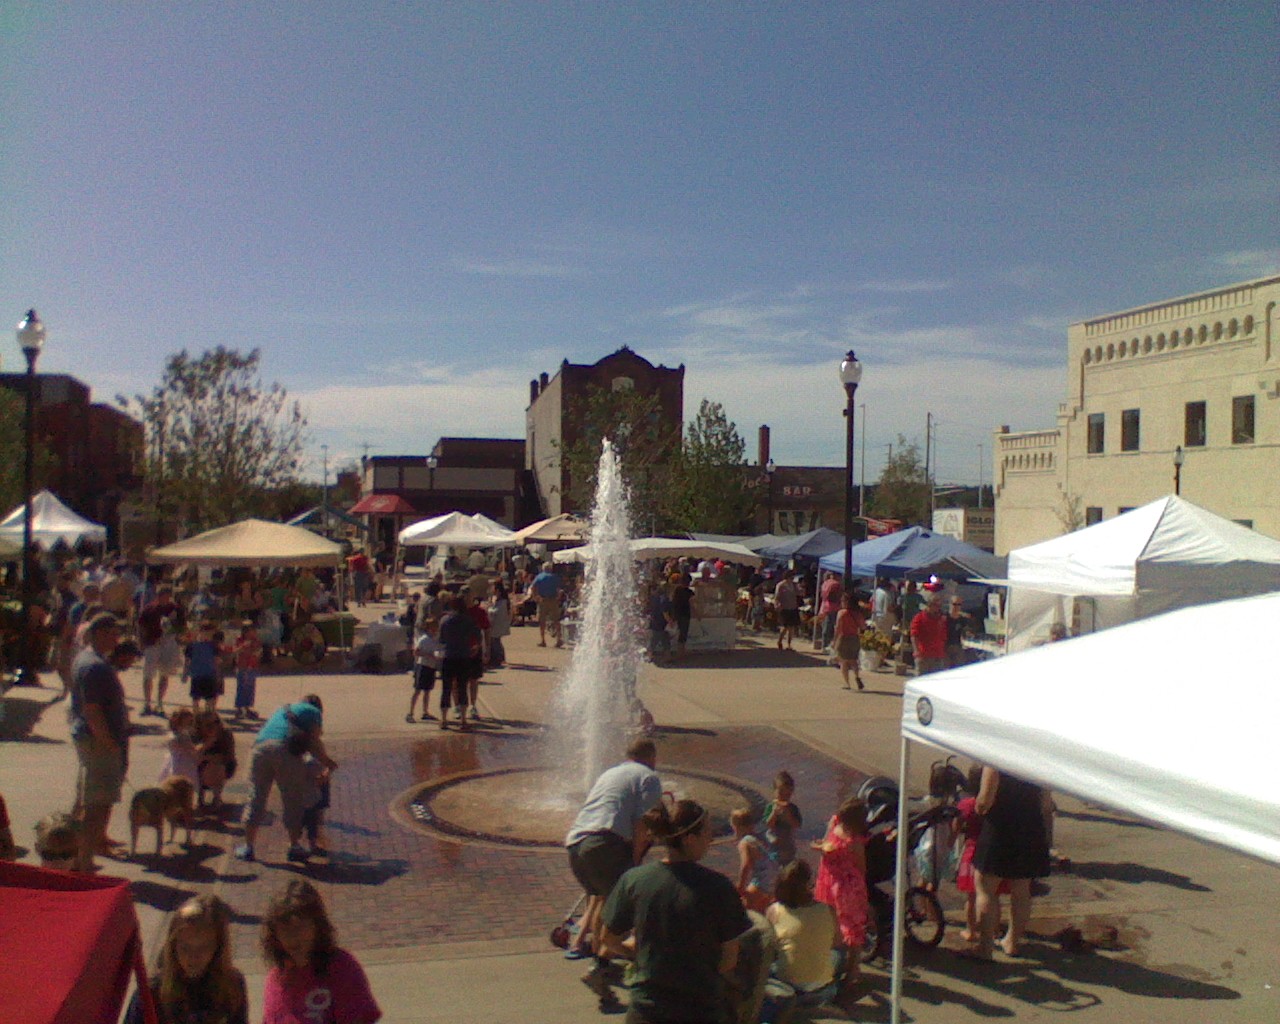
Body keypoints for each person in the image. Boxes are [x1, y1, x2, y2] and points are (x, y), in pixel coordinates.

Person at [599, 798, 753, 1024]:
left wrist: (639, 955)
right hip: (700, 1009)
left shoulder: (634, 880)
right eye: (707, 833)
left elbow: (608, 939)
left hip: (647, 1009)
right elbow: (729, 959)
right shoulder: (718, 887)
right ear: (689, 839)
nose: (711, 839)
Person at [563, 738, 664, 998]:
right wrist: (635, 859)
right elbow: (644, 824)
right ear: (651, 757)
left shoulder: (610, 773)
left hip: (576, 845)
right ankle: (600, 965)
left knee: (604, 900)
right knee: (620, 908)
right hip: (606, 843)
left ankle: (599, 963)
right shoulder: (648, 777)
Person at [261, 879, 381, 1024]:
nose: (293, 936)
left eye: (300, 927)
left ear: (317, 926)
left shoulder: (343, 968)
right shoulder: (276, 981)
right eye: (285, 928)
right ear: (274, 935)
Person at [236, 694, 338, 864]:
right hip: (285, 752)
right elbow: (316, 743)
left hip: (259, 749)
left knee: (256, 797)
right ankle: (294, 846)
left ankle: (248, 847)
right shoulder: (314, 712)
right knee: (292, 799)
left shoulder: (283, 709)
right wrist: (330, 765)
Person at [965, 767, 1052, 960]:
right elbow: (1046, 805)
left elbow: (984, 800)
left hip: (1000, 827)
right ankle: (1012, 941)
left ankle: (985, 946)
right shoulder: (1037, 760)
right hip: (1030, 828)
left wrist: (978, 810)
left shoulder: (997, 760)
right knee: (1021, 891)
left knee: (986, 888)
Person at [125, 894, 248, 1024]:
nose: (193, 957)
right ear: (173, 947)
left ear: (218, 947)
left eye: (203, 947)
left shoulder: (232, 986)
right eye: (185, 948)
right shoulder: (151, 994)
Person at [68, 611, 129, 872]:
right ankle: (83, 861)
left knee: (91, 798)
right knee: (96, 803)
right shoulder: (95, 667)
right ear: (100, 634)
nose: (117, 639)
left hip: (92, 738)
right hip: (98, 741)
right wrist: (108, 742)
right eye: (113, 633)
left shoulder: (89, 660)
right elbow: (92, 710)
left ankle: (92, 846)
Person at [766, 859, 844, 1008]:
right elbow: (837, 942)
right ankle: (833, 986)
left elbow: (770, 947)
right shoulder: (828, 910)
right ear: (808, 884)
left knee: (774, 962)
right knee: (838, 954)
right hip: (820, 991)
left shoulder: (774, 911)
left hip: (786, 987)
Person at [812, 797, 869, 979]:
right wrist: (821, 847)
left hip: (846, 887)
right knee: (831, 921)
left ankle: (853, 968)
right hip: (828, 880)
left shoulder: (855, 841)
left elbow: (861, 867)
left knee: (852, 928)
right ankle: (835, 962)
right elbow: (826, 840)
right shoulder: (836, 822)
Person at [138, 585, 185, 717]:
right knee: (148, 674)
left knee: (164, 674)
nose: (163, 598)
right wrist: (142, 642)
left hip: (169, 643)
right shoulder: (149, 609)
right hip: (152, 643)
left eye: (165, 596)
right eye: (160, 596)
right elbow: (141, 626)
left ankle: (160, 702)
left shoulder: (175, 609)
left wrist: (174, 628)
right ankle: (147, 702)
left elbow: (182, 628)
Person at [437, 597, 479, 730]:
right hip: (463, 656)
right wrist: (475, 648)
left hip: (448, 656)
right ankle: (463, 720)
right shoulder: (468, 620)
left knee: (446, 689)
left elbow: (441, 639)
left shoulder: (445, 620)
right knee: (462, 689)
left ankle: (444, 720)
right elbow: (478, 636)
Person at [731, 807, 778, 913]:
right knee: (762, 912)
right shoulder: (757, 838)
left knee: (746, 911)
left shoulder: (745, 842)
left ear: (737, 827)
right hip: (774, 880)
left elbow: (745, 865)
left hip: (762, 881)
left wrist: (741, 887)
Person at [195, 709, 237, 810]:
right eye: (208, 724)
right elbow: (192, 754)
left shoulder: (225, 733)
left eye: (216, 722)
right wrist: (207, 744)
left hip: (221, 765)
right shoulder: (194, 733)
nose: (213, 726)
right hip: (198, 765)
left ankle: (216, 796)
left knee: (215, 765)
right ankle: (199, 796)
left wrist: (207, 757)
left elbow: (228, 757)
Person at [763, 770, 802, 866]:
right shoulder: (770, 807)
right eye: (781, 794)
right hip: (773, 845)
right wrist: (774, 813)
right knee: (773, 867)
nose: (783, 798)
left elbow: (797, 825)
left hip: (788, 846)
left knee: (788, 866)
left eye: (787, 795)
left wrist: (788, 815)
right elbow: (768, 824)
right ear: (774, 791)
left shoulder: (793, 808)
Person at [183, 622, 223, 713]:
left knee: (210, 699)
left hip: (209, 676)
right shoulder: (192, 645)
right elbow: (187, 660)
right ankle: (196, 718)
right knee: (195, 699)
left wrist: (218, 675)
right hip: (196, 676)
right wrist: (185, 674)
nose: (208, 635)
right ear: (200, 631)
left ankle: (208, 717)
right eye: (206, 632)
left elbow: (216, 661)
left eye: (211, 633)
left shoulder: (214, 646)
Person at [909, 586, 948, 676]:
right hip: (923, 655)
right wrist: (916, 651)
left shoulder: (941, 619)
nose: (938, 608)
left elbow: (943, 635)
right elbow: (914, 635)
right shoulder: (919, 618)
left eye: (939, 605)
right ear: (929, 605)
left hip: (938, 655)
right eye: (935, 605)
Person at [407, 627, 442, 722]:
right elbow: (416, 652)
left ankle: (425, 712)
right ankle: (410, 713)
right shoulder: (423, 639)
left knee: (427, 691)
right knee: (418, 690)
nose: (435, 631)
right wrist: (429, 655)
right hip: (423, 666)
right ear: (429, 629)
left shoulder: (435, 640)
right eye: (434, 628)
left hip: (431, 667)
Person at [832, 592, 866, 691]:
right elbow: (863, 626)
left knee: (843, 662)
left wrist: (834, 641)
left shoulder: (841, 613)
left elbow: (837, 628)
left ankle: (847, 683)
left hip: (844, 638)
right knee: (853, 660)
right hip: (855, 638)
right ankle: (857, 676)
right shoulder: (858, 614)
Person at [159, 708, 200, 788]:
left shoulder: (185, 734)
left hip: (187, 761)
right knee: (177, 780)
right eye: (188, 722)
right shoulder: (174, 735)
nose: (190, 724)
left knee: (189, 780)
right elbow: (179, 746)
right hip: (178, 761)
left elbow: (190, 748)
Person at [232, 621, 262, 721]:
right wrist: (244, 646)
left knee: (250, 687)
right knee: (241, 687)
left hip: (252, 667)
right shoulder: (240, 640)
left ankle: (247, 707)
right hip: (242, 667)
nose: (253, 632)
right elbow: (236, 651)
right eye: (250, 630)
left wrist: (255, 651)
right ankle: (239, 708)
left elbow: (257, 652)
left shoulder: (256, 640)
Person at [531, 562, 562, 648]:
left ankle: (543, 640)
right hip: (553, 599)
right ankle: (559, 639)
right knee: (556, 620)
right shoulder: (555, 577)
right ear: (550, 568)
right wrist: (558, 598)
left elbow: (533, 587)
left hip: (543, 600)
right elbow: (559, 589)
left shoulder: (539, 576)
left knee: (542, 621)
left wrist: (535, 597)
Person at [670, 572, 695, 659]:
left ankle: (680, 651)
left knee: (679, 632)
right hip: (685, 614)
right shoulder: (690, 592)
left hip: (677, 613)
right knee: (683, 633)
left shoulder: (677, 590)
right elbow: (692, 604)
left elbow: (673, 602)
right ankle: (681, 652)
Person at [486, 578, 511, 668]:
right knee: (496, 641)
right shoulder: (498, 599)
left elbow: (496, 611)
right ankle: (498, 658)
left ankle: (499, 658)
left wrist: (488, 609)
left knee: (495, 641)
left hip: (498, 624)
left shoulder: (502, 601)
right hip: (497, 623)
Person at [774, 569, 800, 651]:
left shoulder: (794, 585)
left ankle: (789, 644)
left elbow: (799, 593)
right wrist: (777, 605)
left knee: (791, 627)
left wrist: (800, 588)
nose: (792, 578)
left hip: (793, 607)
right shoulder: (781, 585)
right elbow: (777, 597)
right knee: (784, 627)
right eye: (791, 576)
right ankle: (780, 641)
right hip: (784, 608)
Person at [817, 572, 842, 651]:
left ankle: (824, 645)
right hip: (833, 607)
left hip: (824, 607)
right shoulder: (836, 584)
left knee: (825, 626)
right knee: (834, 627)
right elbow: (834, 596)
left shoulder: (825, 583)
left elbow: (822, 595)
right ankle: (829, 646)